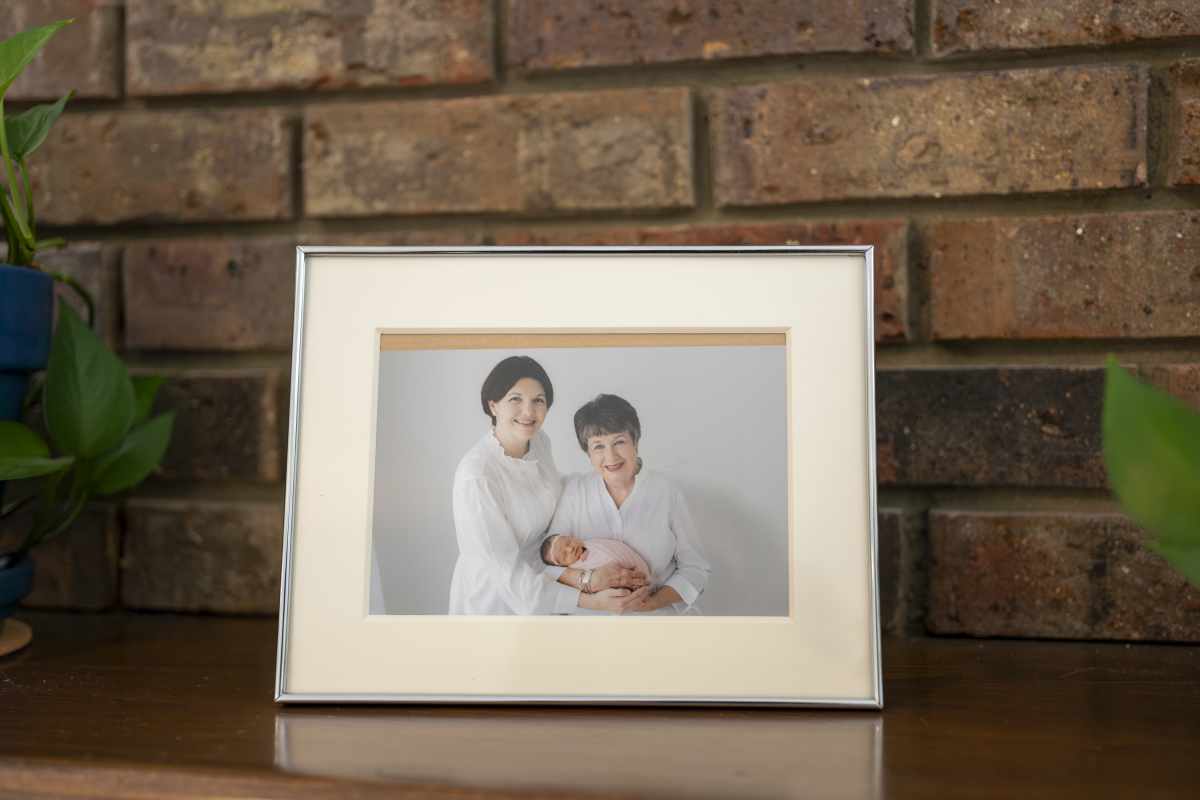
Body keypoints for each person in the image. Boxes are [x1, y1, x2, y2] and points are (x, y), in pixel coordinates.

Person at [448, 357, 650, 615]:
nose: (529, 412)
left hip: (547, 579)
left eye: (538, 400)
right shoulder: (477, 475)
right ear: (493, 405)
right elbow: (507, 575)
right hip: (501, 598)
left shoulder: (539, 441)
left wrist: (612, 477)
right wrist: (588, 598)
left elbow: (554, 486)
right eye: (515, 399)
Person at [543, 394, 711, 614]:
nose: (610, 456)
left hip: (654, 621)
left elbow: (696, 569)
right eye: (598, 447)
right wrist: (589, 580)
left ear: (636, 443)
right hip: (590, 626)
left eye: (619, 442)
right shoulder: (576, 491)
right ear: (589, 454)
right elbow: (548, 564)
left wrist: (651, 603)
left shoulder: (670, 493)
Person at [540, 534, 652, 584]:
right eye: (565, 555)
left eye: (568, 542)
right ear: (562, 566)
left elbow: (605, 547)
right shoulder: (575, 570)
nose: (570, 549)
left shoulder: (588, 544)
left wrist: (587, 551)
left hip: (629, 559)